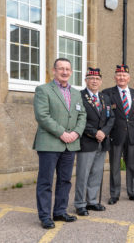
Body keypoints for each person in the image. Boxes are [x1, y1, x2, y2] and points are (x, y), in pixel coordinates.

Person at [33, 58, 86, 229]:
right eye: (61, 68)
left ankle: (60, 211)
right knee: (45, 182)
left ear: (71, 72)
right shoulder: (43, 90)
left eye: (67, 69)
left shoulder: (77, 93)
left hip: (70, 144)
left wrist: (76, 132)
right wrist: (62, 133)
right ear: (53, 70)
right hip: (50, 143)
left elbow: (82, 115)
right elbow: (42, 116)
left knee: (65, 180)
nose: (64, 72)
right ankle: (45, 216)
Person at [74, 68, 115, 216]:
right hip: (87, 142)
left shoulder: (105, 97)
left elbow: (112, 118)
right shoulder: (79, 96)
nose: (94, 81)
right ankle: (80, 204)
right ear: (86, 81)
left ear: (101, 81)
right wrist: (94, 132)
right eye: (91, 78)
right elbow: (78, 119)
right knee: (83, 174)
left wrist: (103, 132)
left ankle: (92, 201)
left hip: (102, 141)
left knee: (97, 173)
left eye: (97, 79)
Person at [102, 65, 134, 203]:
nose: (121, 78)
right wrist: (106, 132)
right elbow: (105, 115)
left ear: (129, 78)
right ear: (115, 77)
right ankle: (114, 194)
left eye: (124, 75)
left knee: (132, 165)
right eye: (119, 75)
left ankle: (133, 191)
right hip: (115, 134)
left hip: (133, 134)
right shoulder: (107, 93)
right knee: (115, 166)